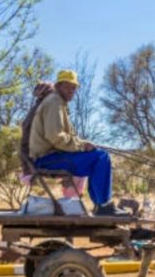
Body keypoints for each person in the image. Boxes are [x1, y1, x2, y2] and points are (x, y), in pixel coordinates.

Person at [29, 69, 127, 216]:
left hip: (52, 156)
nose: (71, 91)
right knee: (101, 157)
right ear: (59, 86)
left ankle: (101, 205)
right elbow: (55, 137)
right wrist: (81, 146)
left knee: (98, 157)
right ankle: (103, 205)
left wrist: (84, 143)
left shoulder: (59, 103)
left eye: (73, 87)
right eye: (67, 87)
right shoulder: (54, 102)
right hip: (47, 159)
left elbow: (66, 137)